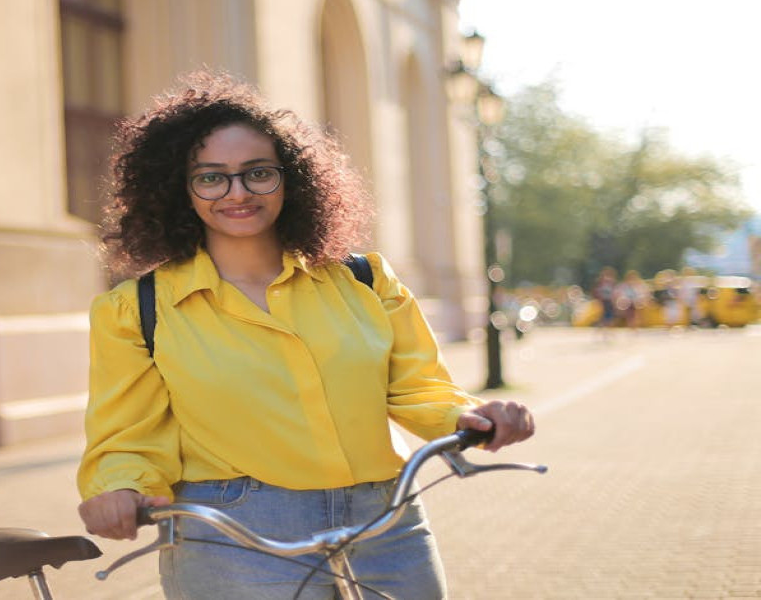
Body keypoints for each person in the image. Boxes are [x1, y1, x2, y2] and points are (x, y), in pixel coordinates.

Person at [76, 71, 535, 599]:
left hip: (385, 518)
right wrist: (119, 488)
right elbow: (126, 435)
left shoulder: (365, 279)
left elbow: (417, 387)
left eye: (258, 173)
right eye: (211, 177)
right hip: (233, 531)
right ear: (179, 190)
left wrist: (469, 416)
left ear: (291, 178)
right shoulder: (137, 310)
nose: (238, 192)